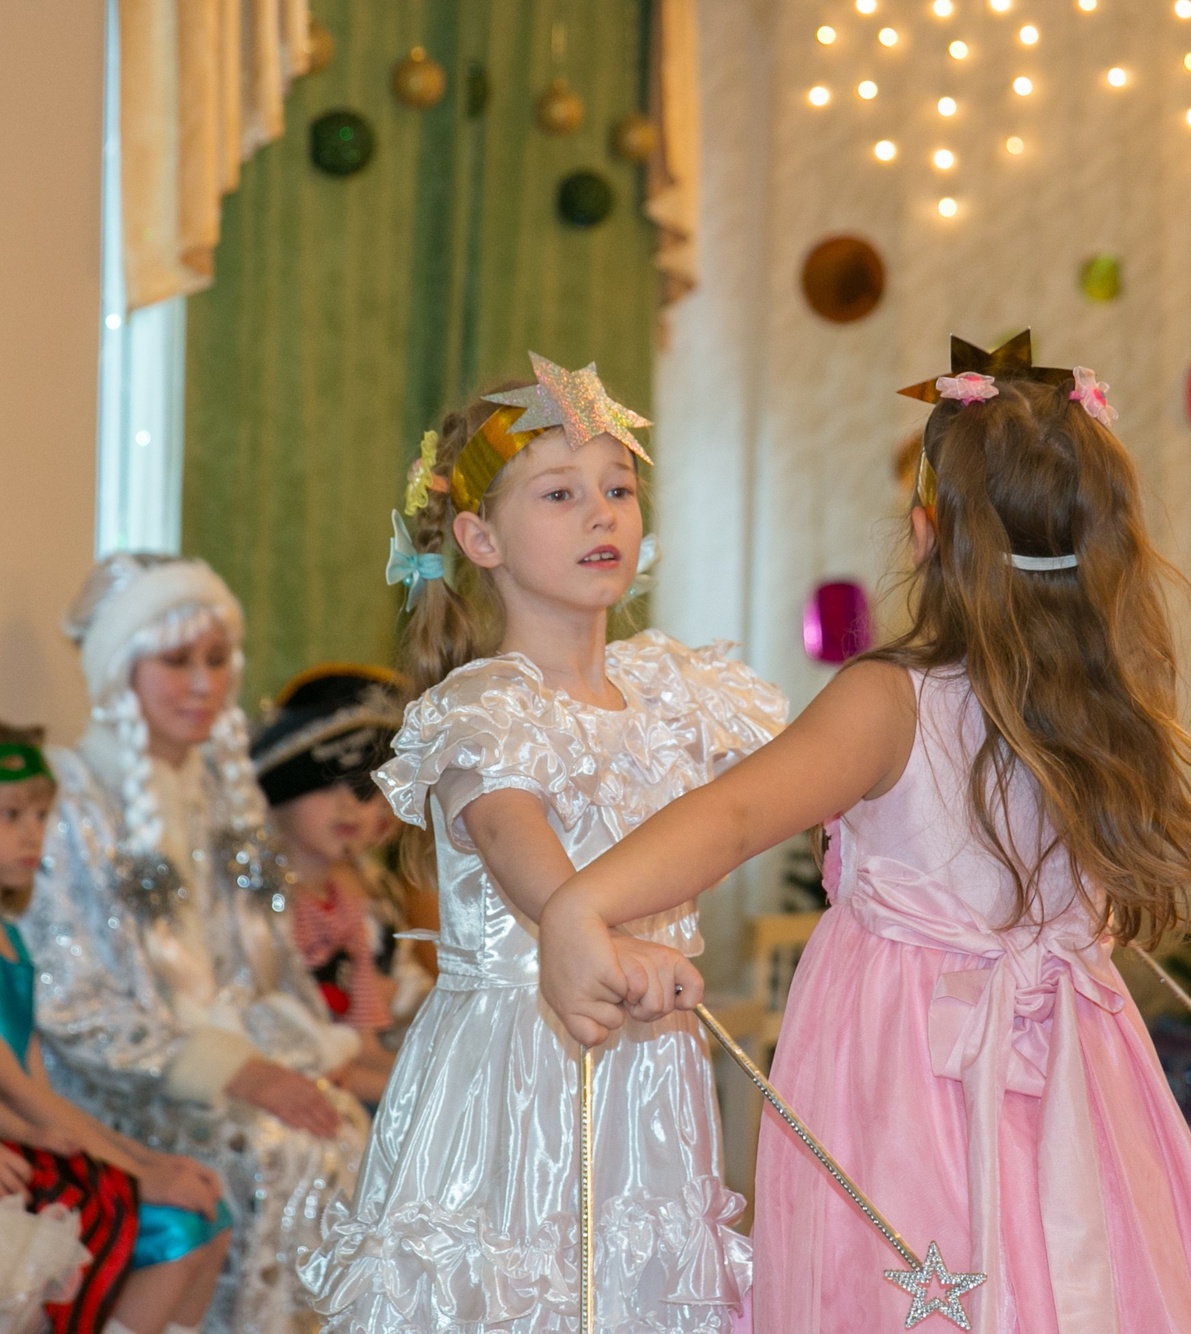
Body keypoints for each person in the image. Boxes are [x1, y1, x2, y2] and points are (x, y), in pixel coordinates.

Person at [540, 334, 1191, 1333]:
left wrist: (582, 903)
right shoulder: (1113, 705)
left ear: (927, 536)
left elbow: (736, 815)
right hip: (1080, 1071)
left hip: (905, 1074)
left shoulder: (891, 700)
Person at [299, 354, 782, 1332]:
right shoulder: (485, 708)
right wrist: (590, 931)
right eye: (560, 493)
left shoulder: (678, 691)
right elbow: (518, 843)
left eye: (619, 488)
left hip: (650, 1073)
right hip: (516, 1077)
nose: (602, 513)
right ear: (480, 538)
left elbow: (791, 790)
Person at [23, 556, 369, 1334]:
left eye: (217, 659)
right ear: (120, 670)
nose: (204, 684)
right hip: (112, 1096)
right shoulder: (70, 801)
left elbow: (263, 967)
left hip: (224, 1070)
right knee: (272, 1149)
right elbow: (67, 1003)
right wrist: (235, 1071)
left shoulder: (221, 796)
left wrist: (293, 1056)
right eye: (177, 661)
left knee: (339, 1125)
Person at [0, 723, 232, 1334]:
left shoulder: (12, 940)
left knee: (210, 1215)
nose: (32, 834)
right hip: (13, 1153)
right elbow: (21, 1097)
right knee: (175, 1228)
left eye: (40, 815)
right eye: (10, 815)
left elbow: (37, 1088)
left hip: (26, 1141)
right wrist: (141, 1174)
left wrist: (147, 1158)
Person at [251, 665, 415, 1104]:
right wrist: (421, 1099)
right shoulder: (258, 907)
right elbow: (297, 1058)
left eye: (364, 789)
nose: (349, 806)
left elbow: (363, 1047)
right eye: (324, 783)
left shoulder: (350, 911)